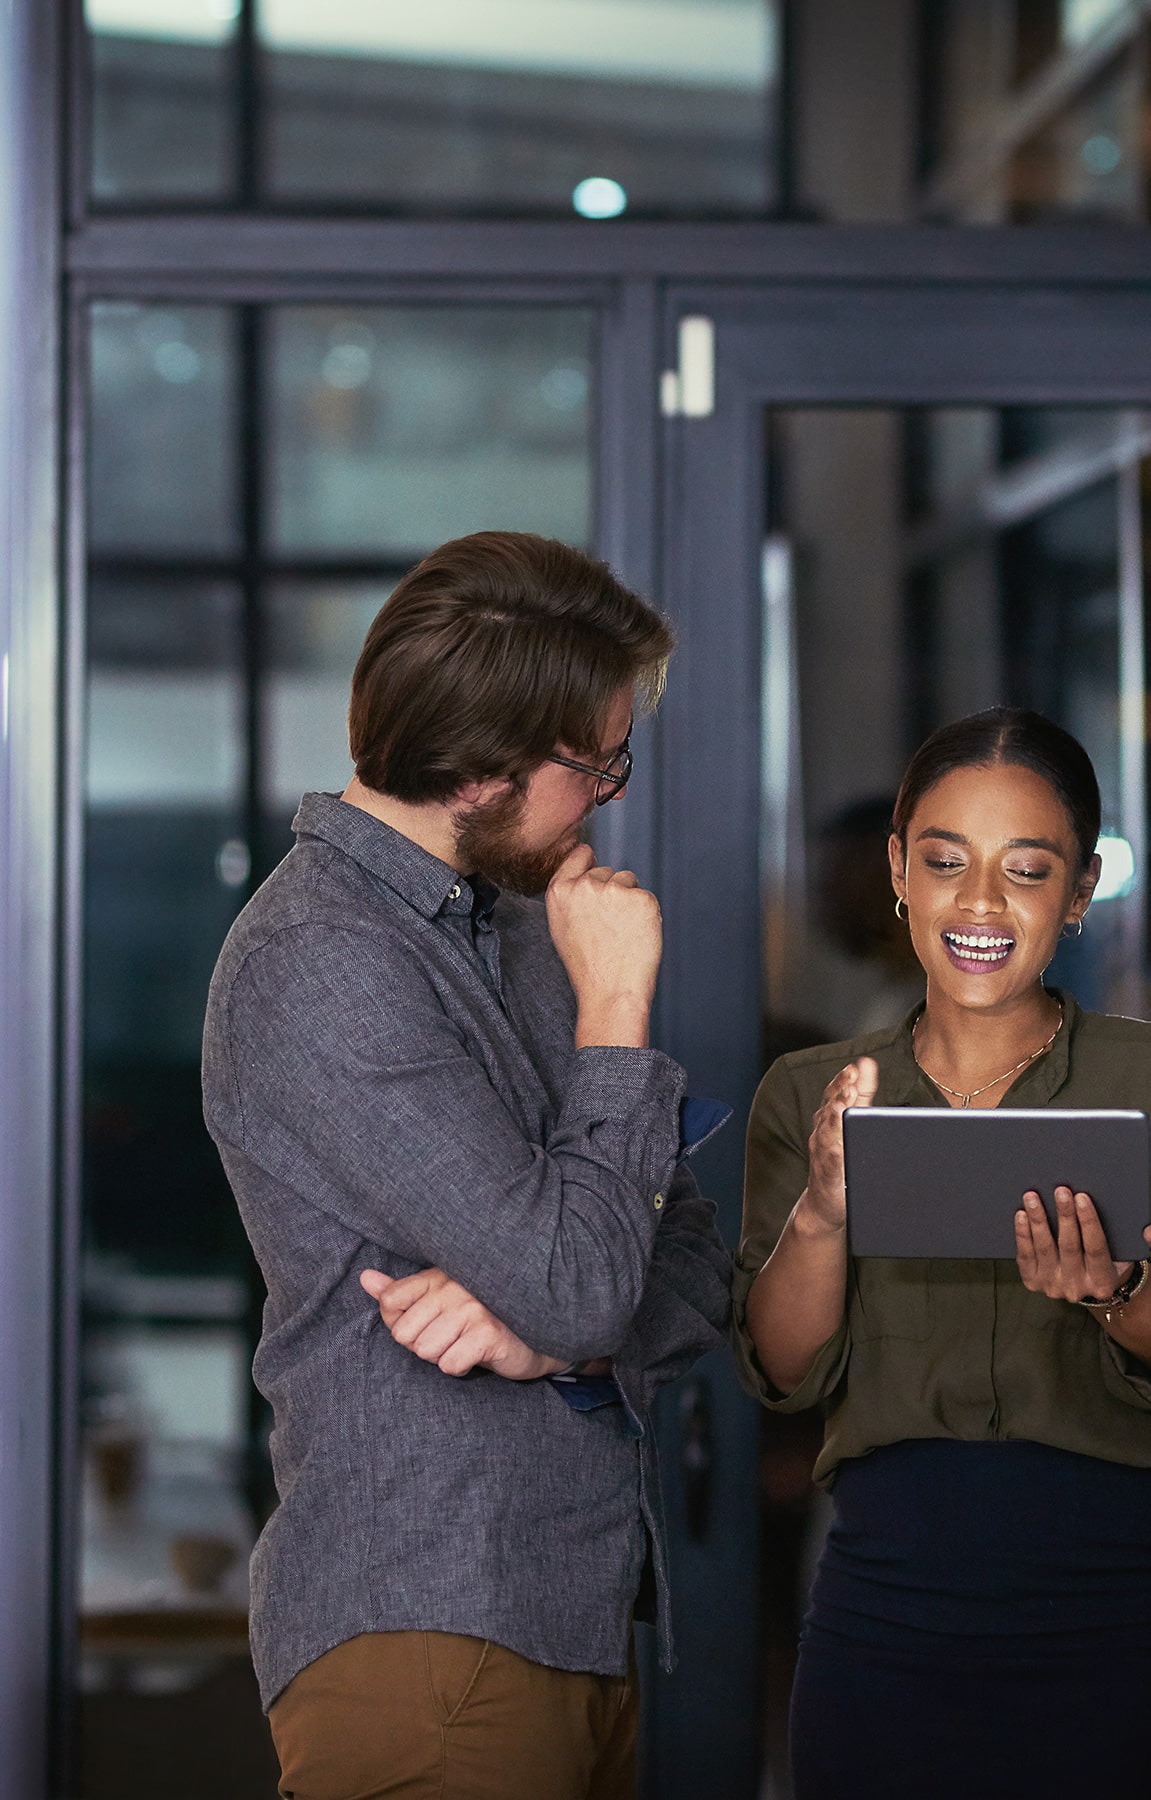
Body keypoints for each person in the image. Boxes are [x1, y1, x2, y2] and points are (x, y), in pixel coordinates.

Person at [202, 531, 731, 1800]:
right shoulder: (321, 958)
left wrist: (562, 1339)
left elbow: (695, 1254)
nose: (609, 794)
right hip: (431, 1626)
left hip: (569, 1614)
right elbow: (580, 1270)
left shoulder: (509, 926)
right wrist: (617, 1011)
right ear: (488, 766)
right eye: (594, 761)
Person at [733, 706, 1151, 1799]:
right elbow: (785, 1368)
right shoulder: (813, 1091)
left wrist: (1121, 1291)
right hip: (882, 1615)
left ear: (1079, 893)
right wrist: (822, 1214)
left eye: (1026, 871)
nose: (980, 903)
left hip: (1113, 1618)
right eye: (945, 862)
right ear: (899, 870)